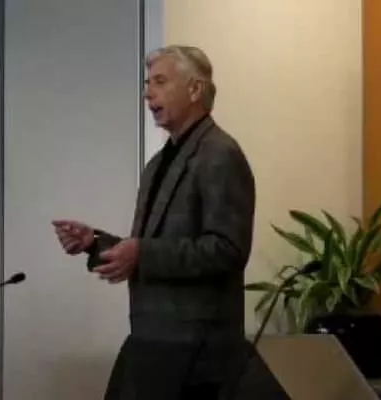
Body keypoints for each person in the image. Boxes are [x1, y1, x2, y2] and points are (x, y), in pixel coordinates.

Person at [53, 45, 256, 400]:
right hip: (152, 346)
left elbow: (228, 250)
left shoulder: (220, 154)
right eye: (148, 83)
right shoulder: (157, 164)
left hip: (198, 358)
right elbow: (148, 246)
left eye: (160, 82)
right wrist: (94, 243)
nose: (148, 93)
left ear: (194, 89)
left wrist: (142, 253)